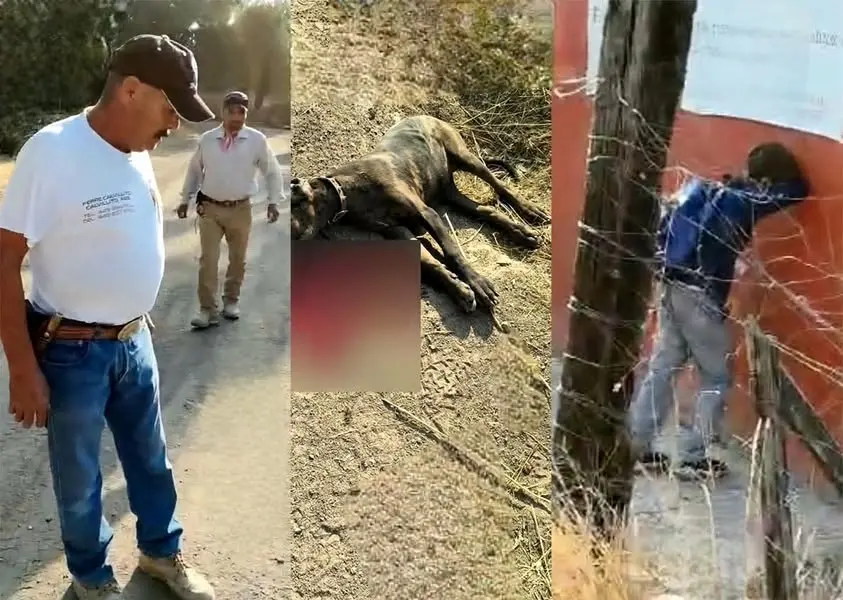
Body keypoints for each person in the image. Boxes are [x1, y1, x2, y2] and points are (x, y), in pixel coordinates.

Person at [0, 34, 216, 600]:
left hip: (133, 341)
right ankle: (92, 580)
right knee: (80, 480)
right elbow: (5, 261)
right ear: (130, 90)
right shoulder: (51, 152)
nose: (174, 124)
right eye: (170, 108)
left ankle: (161, 554)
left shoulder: (136, 147)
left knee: (151, 460)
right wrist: (22, 370)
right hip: (71, 351)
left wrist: (135, 310)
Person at [627, 142, 809, 479]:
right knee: (716, 377)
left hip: (668, 285)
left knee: (663, 367)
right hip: (698, 294)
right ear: (766, 182)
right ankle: (693, 458)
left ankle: (636, 448)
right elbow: (797, 192)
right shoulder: (744, 202)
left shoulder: (704, 187)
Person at [177, 90, 283, 329]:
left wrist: (274, 201)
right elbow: (195, 171)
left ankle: (231, 301)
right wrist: (185, 199)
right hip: (210, 209)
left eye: (241, 112)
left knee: (238, 260)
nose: (236, 116)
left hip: (240, 209)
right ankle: (207, 309)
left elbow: (272, 171)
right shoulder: (207, 140)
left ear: (246, 114)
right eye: (231, 111)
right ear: (223, 113)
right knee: (208, 260)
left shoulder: (256, 140)